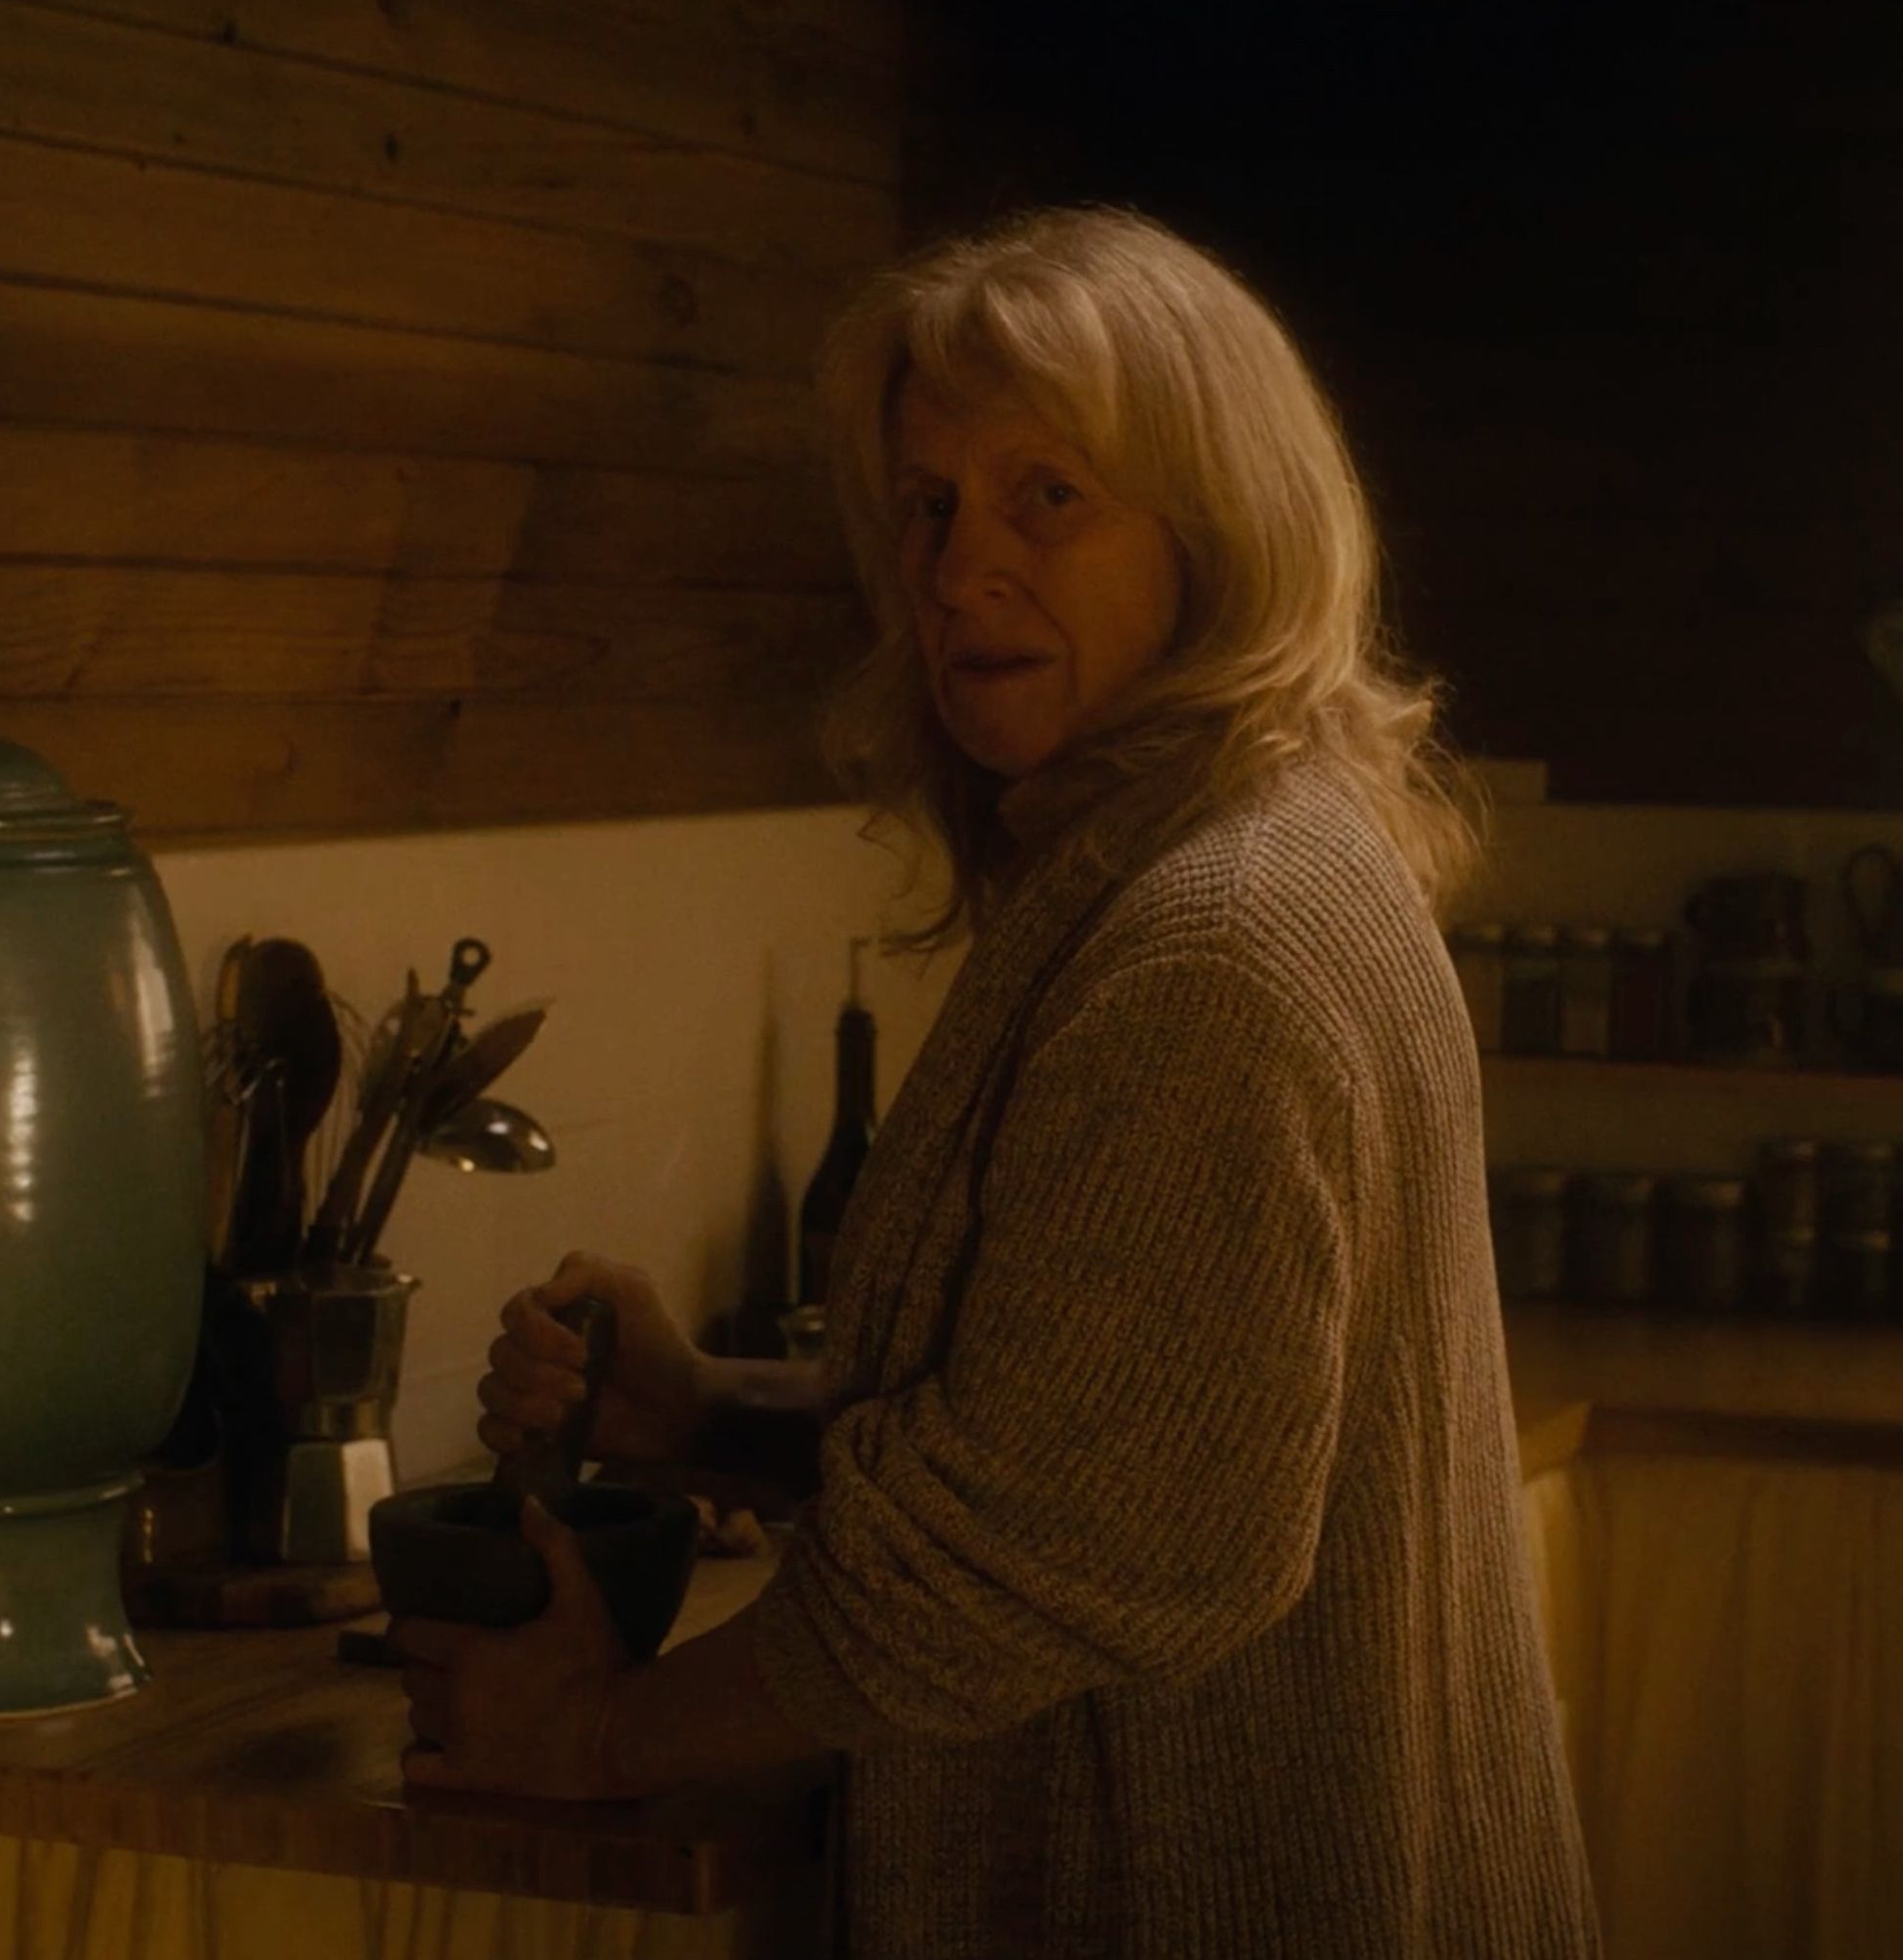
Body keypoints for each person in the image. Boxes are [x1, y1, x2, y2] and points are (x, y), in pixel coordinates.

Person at [390, 206, 1600, 1957]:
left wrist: (593, 1732)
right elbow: (1112, 1439)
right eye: (930, 505)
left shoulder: (1213, 943)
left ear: (1220, 535)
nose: (962, 572)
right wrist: (710, 1412)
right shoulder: (1217, 856)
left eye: (1049, 496)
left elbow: (1025, 1557)